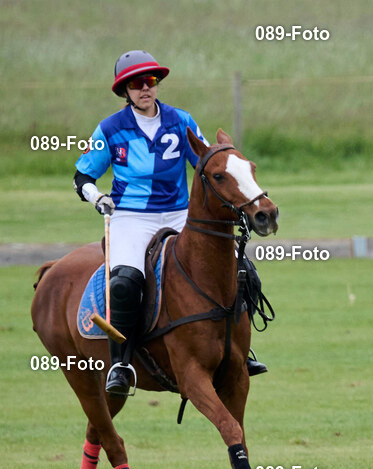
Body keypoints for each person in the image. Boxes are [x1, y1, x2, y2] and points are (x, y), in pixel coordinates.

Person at [74, 50, 267, 396]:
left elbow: (208, 162)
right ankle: (121, 363)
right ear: (125, 91)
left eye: (150, 81)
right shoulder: (110, 129)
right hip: (131, 218)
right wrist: (97, 197)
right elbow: (83, 176)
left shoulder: (180, 120)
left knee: (243, 269)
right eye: (136, 84)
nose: (145, 88)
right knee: (124, 283)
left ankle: (241, 350)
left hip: (180, 214)